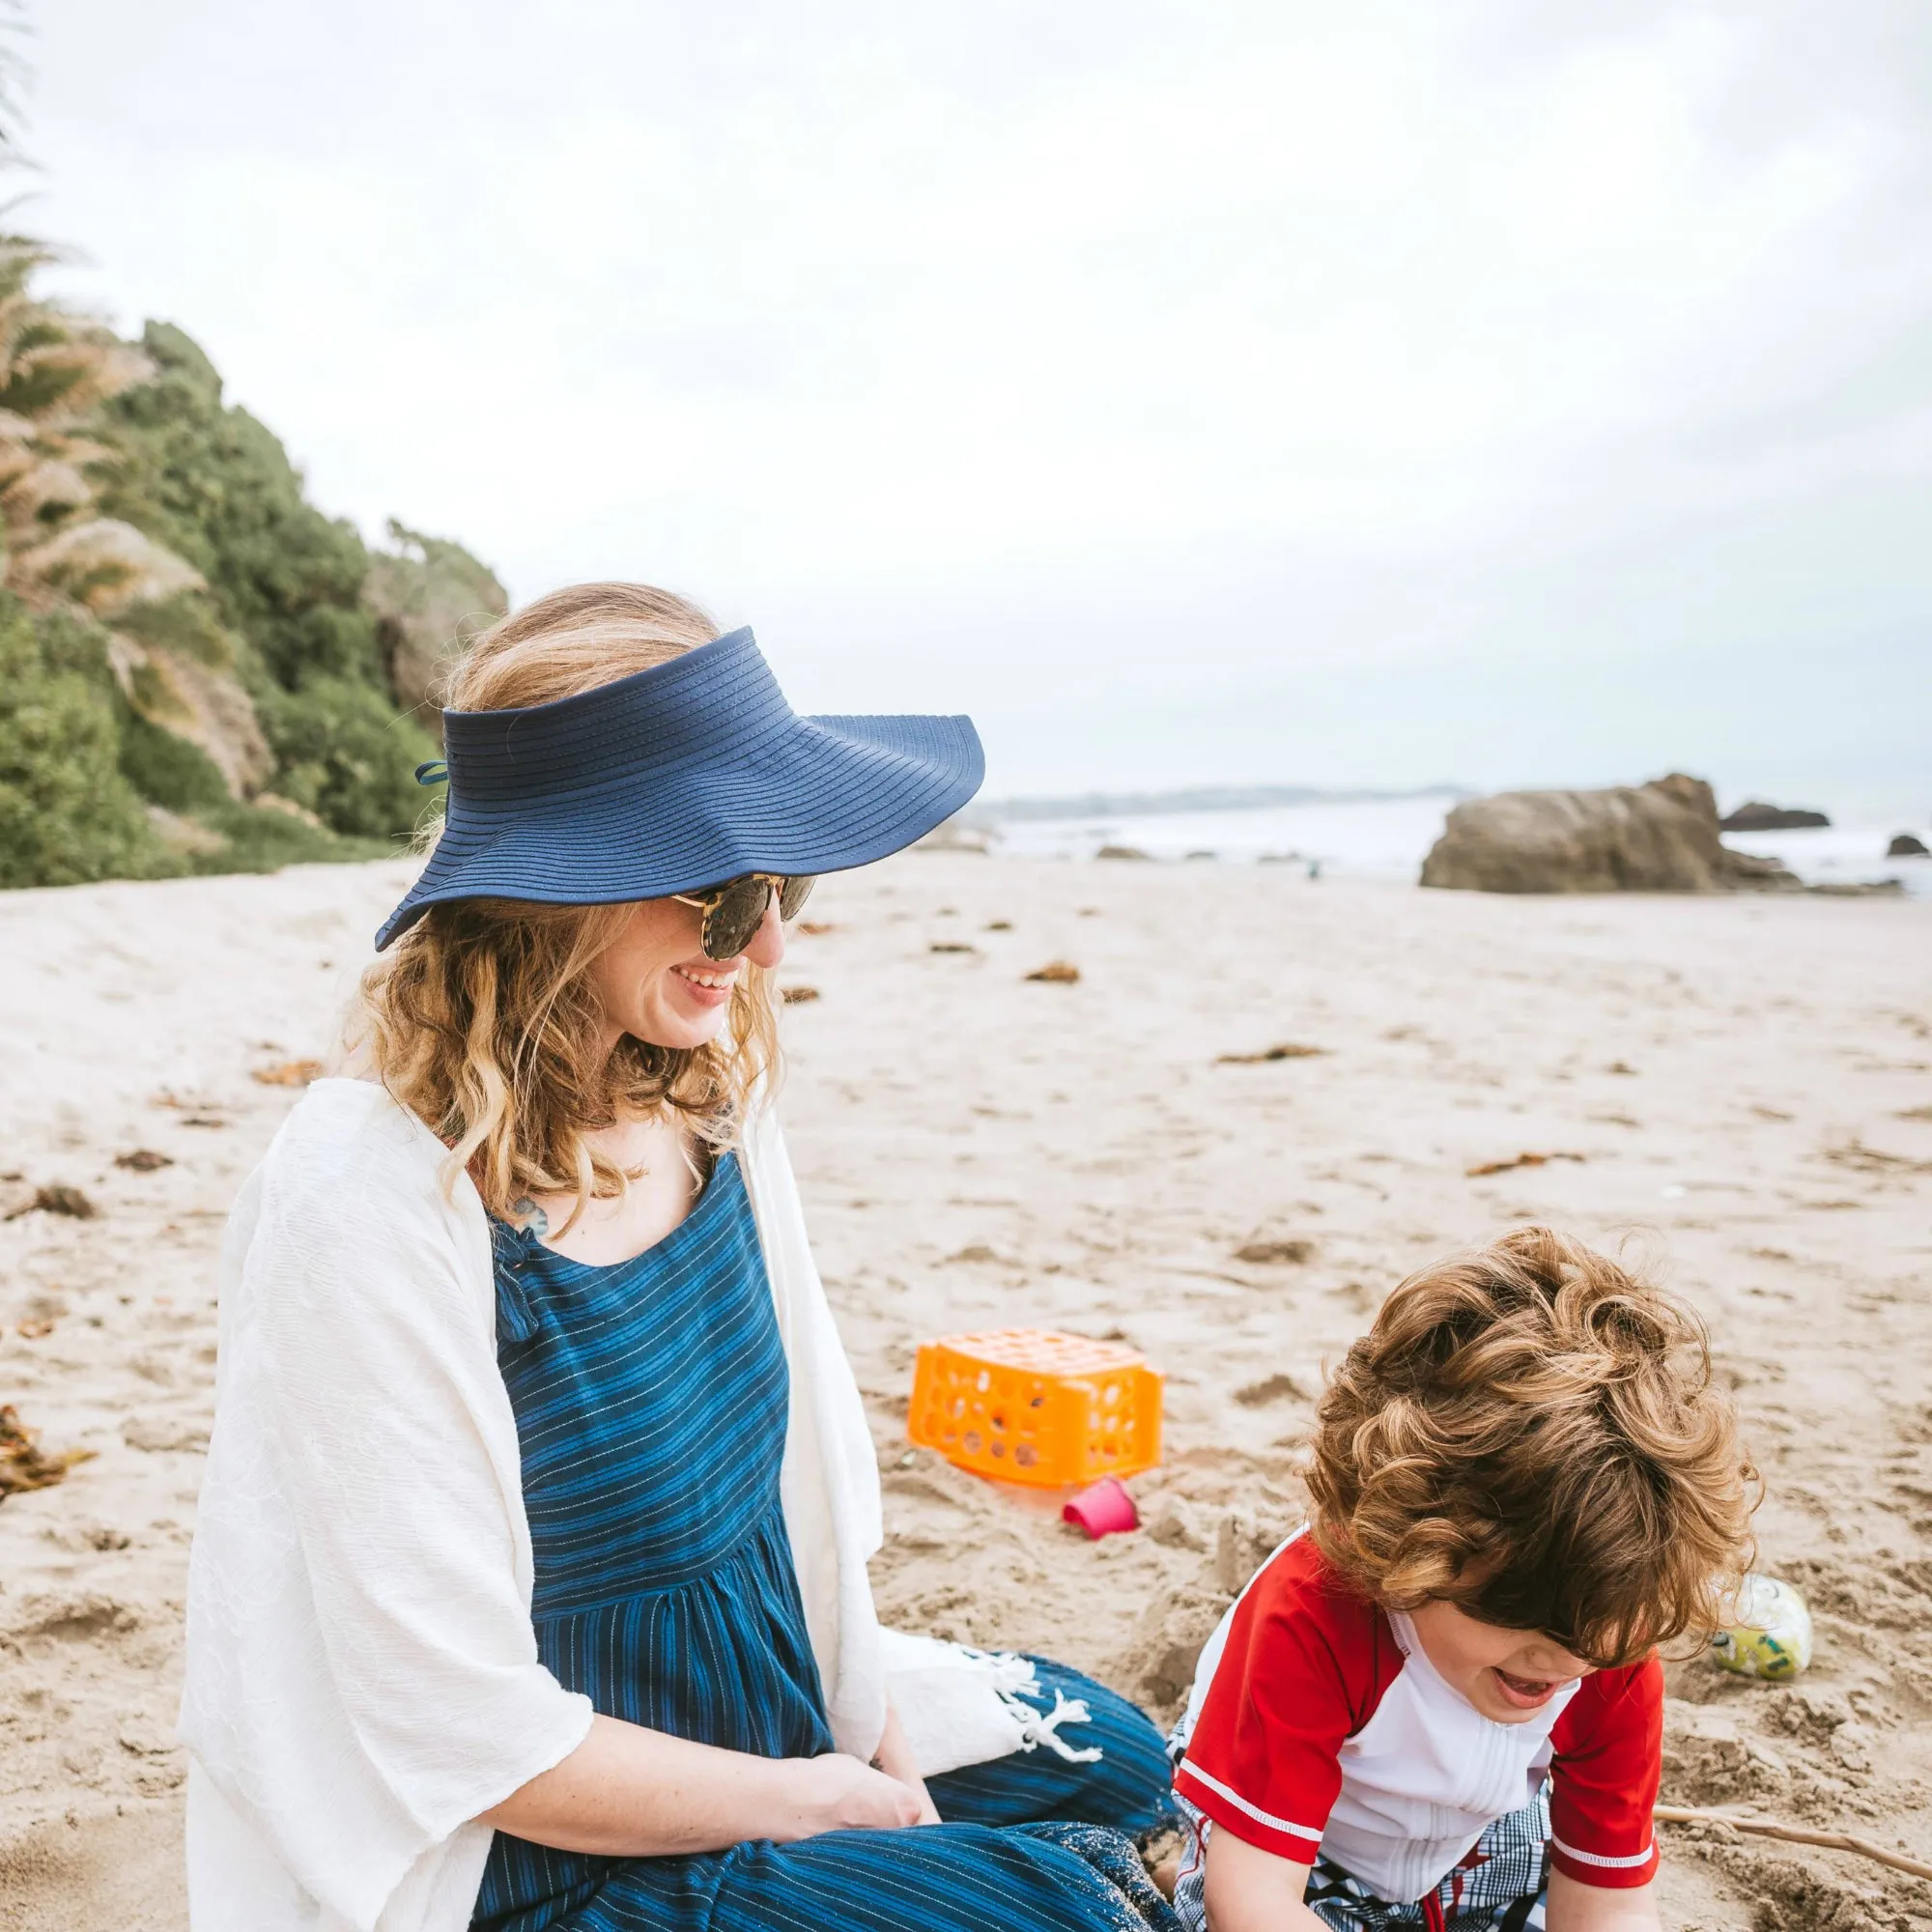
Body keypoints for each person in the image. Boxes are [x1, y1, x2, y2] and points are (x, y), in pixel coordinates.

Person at [180, 584, 1178, 1932]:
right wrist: (826, 1806)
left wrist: (862, 1729)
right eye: (723, 896)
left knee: (1126, 1768)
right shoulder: (367, 1204)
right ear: (554, 893)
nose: (765, 944)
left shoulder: (706, 1095)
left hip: (767, 1693)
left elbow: (797, 1506)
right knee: (1060, 1915)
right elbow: (481, 1745)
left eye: (786, 883)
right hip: (546, 1844)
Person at [1165, 1227, 1756, 1932]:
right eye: (1515, 1613)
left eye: (1586, 1637)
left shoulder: (1609, 1629)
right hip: (1311, 1843)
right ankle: (1194, 1845)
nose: (1560, 1661)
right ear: (1407, 1552)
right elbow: (1255, 1903)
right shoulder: (1313, 1614)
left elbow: (1610, 1900)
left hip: (1477, 1832)